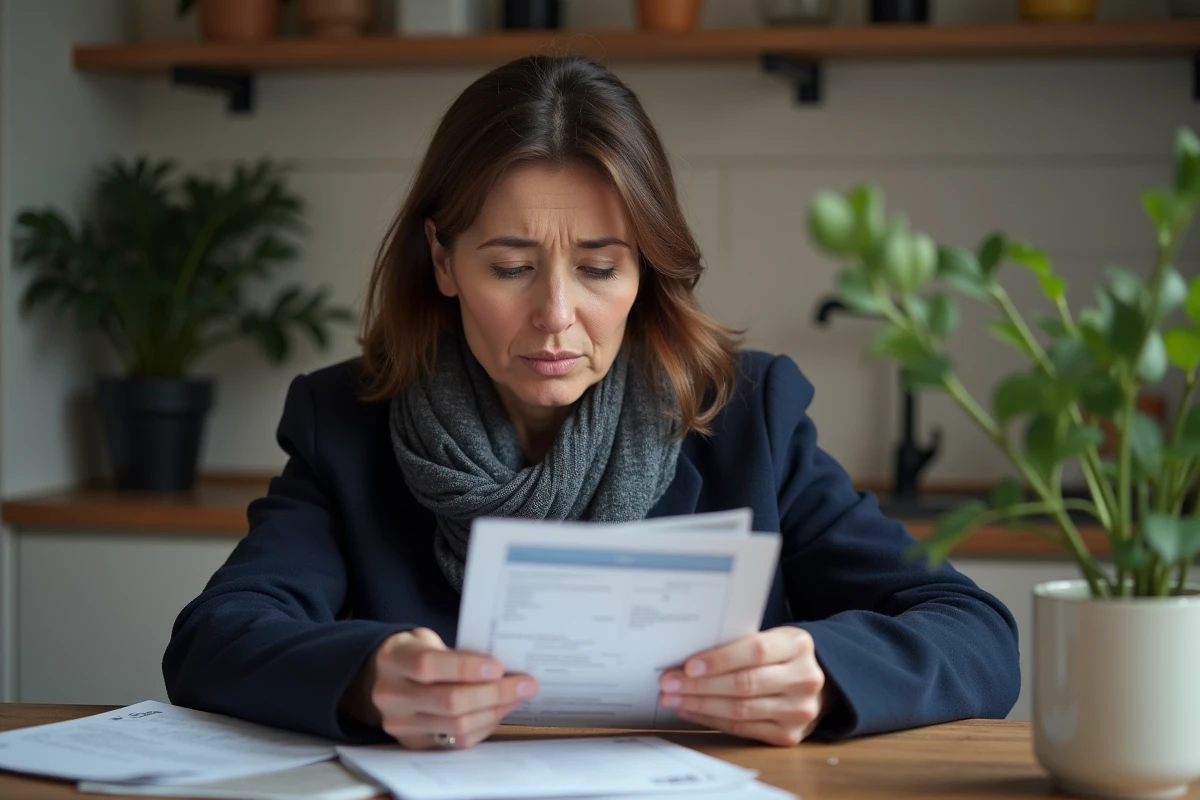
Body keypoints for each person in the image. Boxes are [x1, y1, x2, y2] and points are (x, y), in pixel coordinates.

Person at [163, 54, 1020, 752]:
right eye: (510, 267)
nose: (556, 315)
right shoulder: (345, 422)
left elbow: (975, 631)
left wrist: (823, 671)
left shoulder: (745, 415)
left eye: (600, 268)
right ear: (444, 260)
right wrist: (363, 677)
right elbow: (215, 637)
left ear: (645, 269)